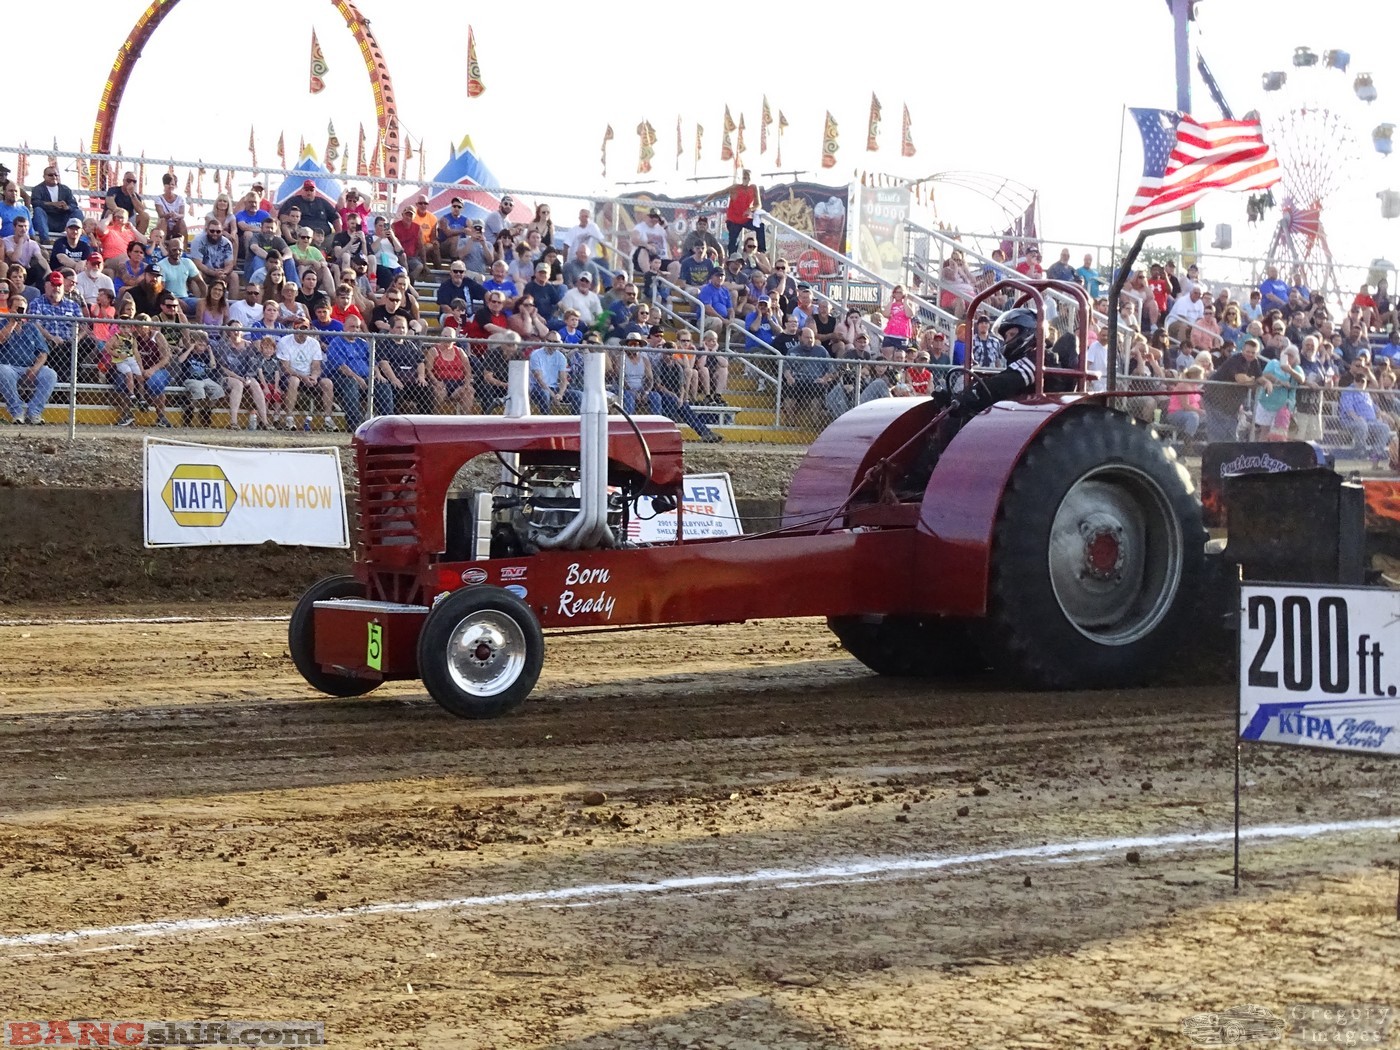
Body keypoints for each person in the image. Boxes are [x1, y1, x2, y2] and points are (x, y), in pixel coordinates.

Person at [0, 295, 59, 425]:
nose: (21, 312)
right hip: (8, 367)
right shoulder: (2, 323)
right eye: (17, 309)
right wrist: (12, 323)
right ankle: (17, 412)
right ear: (10, 309)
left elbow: (43, 353)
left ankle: (34, 412)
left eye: (23, 309)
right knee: (1, 370)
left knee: (50, 374)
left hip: (29, 367)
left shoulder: (31, 327)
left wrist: (35, 368)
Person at [277, 316, 336, 431]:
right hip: (291, 376)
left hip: (309, 376)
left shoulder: (314, 343)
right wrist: (303, 377)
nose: (303, 332)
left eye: (305, 329)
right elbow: (286, 368)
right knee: (294, 381)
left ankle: (328, 420)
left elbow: (316, 366)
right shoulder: (285, 341)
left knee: (327, 383)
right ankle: (289, 418)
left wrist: (314, 377)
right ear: (294, 328)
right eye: (300, 329)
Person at [1203, 339, 1266, 443]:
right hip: (1214, 401)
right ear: (1242, 350)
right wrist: (1253, 380)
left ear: (1257, 353)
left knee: (1231, 438)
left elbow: (1260, 377)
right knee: (1216, 436)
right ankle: (1214, 457)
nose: (1250, 355)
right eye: (1247, 352)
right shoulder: (1236, 359)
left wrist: (1266, 382)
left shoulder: (1254, 362)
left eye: (1253, 353)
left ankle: (1228, 458)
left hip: (1232, 407)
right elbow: (1240, 379)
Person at [703, 169, 764, 254]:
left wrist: (750, 209)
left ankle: (761, 250)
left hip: (744, 218)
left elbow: (758, 205)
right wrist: (703, 202)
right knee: (733, 240)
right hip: (733, 219)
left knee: (760, 226)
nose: (746, 180)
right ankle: (732, 258)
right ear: (742, 178)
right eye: (744, 177)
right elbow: (717, 194)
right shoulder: (735, 187)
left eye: (748, 178)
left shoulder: (753, 187)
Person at [29, 165, 81, 242]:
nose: (54, 177)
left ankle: (74, 239)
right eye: (50, 175)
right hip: (46, 220)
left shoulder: (65, 189)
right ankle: (45, 240)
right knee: (38, 210)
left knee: (78, 212)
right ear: (44, 176)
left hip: (62, 220)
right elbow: (35, 203)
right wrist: (52, 204)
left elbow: (74, 205)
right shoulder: (38, 189)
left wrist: (67, 207)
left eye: (56, 175)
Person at [528, 338, 581, 414]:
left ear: (559, 343)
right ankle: (546, 422)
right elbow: (539, 379)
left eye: (555, 342)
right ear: (545, 341)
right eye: (550, 341)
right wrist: (553, 395)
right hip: (537, 388)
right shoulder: (536, 354)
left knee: (578, 395)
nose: (552, 344)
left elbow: (563, 379)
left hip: (554, 388)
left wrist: (560, 394)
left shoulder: (561, 357)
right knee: (544, 394)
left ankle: (575, 423)